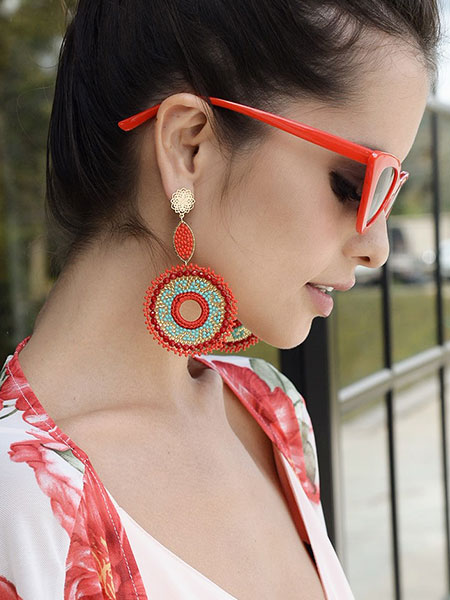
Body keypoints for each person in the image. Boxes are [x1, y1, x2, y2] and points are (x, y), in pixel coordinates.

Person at [0, 1, 442, 598]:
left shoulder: (269, 412)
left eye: (391, 192)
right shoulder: (17, 504)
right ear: (189, 146)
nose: (377, 247)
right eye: (354, 185)